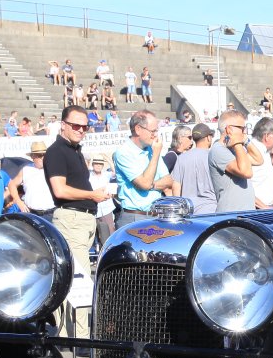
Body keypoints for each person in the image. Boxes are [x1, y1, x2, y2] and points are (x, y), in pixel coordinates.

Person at [45, 107, 111, 277]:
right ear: (63, 125)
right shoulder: (57, 151)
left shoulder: (74, 150)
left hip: (81, 220)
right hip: (71, 220)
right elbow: (59, 190)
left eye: (85, 127)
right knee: (80, 278)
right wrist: (92, 195)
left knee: (78, 276)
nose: (81, 130)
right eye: (75, 126)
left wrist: (95, 195)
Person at [114, 110, 175, 225]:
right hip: (135, 216)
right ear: (138, 129)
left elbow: (168, 180)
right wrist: (156, 154)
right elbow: (145, 184)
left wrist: (152, 185)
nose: (155, 135)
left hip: (156, 215)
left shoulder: (151, 149)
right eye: (153, 131)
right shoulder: (124, 152)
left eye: (156, 131)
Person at [210, 111, 259, 213]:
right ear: (229, 129)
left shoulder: (235, 149)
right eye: (242, 128)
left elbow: (258, 160)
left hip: (244, 213)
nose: (245, 132)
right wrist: (237, 144)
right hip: (231, 214)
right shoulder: (218, 150)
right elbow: (247, 173)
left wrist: (245, 141)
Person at [169, 123, 217, 215]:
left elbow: (176, 186)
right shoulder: (213, 157)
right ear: (208, 138)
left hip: (188, 210)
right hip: (211, 210)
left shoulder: (182, 158)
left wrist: (178, 210)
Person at [88, 154, 116, 248]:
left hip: (106, 209)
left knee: (109, 232)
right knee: (93, 234)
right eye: (96, 164)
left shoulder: (106, 174)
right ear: (93, 164)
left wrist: (108, 159)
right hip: (93, 209)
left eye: (100, 164)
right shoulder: (88, 175)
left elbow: (115, 172)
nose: (98, 166)